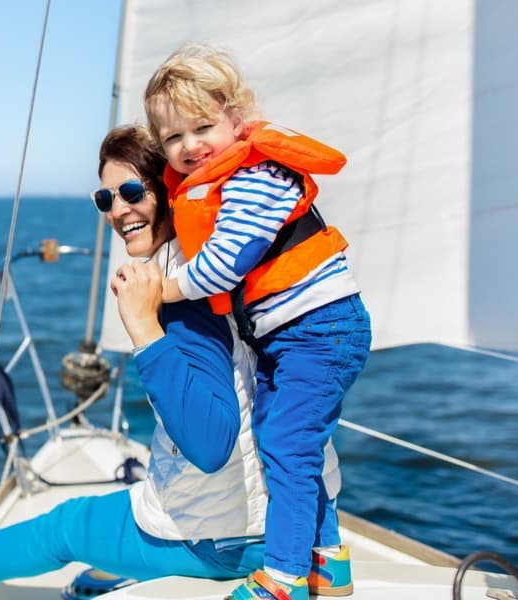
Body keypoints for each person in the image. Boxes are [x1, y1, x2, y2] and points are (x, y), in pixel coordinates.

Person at [0, 125, 335, 600]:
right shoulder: (218, 266)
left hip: (225, 540)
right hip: (286, 523)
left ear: (169, 188)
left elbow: (211, 446)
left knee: (67, 526)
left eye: (131, 192)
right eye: (104, 199)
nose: (117, 210)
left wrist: (143, 324)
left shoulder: (184, 295)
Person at [143, 43, 371, 600]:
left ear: (236, 116)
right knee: (279, 439)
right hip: (290, 335)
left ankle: (284, 578)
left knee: (289, 446)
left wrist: (160, 291)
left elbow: (226, 262)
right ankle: (326, 560)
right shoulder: (219, 179)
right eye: (173, 138)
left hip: (320, 330)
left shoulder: (256, 175)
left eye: (203, 128)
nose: (190, 146)